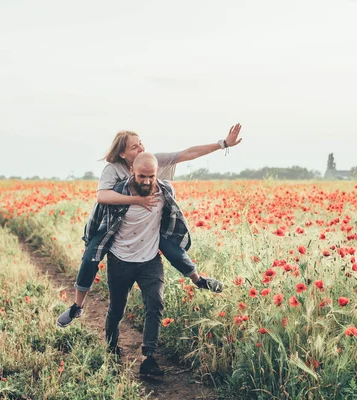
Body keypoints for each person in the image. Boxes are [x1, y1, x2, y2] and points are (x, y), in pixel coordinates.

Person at [57, 124, 242, 328]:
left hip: (147, 225)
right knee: (91, 255)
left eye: (141, 143)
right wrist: (137, 201)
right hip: (114, 226)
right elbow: (102, 196)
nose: (141, 148)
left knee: (172, 248)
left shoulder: (150, 161)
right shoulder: (113, 169)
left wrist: (223, 143)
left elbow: (187, 153)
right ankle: (77, 306)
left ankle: (199, 280)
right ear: (122, 153)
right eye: (135, 147)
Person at [81, 153, 192, 375]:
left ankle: (148, 358)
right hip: (119, 259)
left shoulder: (165, 191)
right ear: (132, 171)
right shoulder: (117, 193)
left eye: (151, 176)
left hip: (150, 259)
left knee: (155, 304)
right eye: (142, 176)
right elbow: (95, 220)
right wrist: (91, 250)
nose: (147, 181)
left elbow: (173, 219)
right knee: (117, 308)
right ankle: (111, 346)